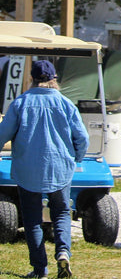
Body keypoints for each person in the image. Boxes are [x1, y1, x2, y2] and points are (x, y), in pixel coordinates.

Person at [0, 60, 89, 279]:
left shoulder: (20, 103)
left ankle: (40, 270)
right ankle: (63, 253)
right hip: (60, 168)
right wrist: (75, 158)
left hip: (27, 169)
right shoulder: (66, 104)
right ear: (54, 80)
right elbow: (83, 138)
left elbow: (2, 135)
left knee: (32, 220)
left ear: (32, 79)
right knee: (60, 213)